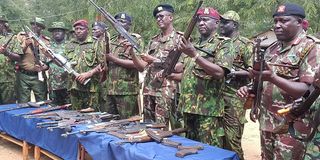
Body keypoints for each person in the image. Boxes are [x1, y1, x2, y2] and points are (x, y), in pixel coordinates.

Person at [236, 3, 320, 160]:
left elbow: (308, 90)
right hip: (268, 122)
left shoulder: (311, 48)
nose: (277, 25)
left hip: (294, 126)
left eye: (284, 21)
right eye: (275, 21)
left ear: (300, 23)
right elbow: (263, 79)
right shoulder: (272, 49)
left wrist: (273, 78)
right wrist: (250, 88)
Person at [177, 7, 235, 147]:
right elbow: (185, 73)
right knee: (190, 150)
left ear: (216, 23)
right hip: (188, 108)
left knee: (209, 151)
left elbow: (220, 72)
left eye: (206, 20)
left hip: (208, 111)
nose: (201, 23)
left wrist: (195, 55)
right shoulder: (193, 44)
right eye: (199, 20)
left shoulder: (224, 44)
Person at [131, 4, 183, 129]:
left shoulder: (180, 39)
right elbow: (142, 67)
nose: (158, 19)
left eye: (161, 16)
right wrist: (132, 53)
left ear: (171, 17)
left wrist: (154, 60)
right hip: (149, 89)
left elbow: (180, 66)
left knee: (162, 128)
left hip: (167, 90)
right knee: (148, 127)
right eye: (157, 17)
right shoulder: (153, 40)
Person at [219, 11, 253, 159]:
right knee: (217, 140)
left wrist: (233, 72)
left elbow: (253, 72)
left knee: (232, 140)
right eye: (221, 21)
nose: (222, 24)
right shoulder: (218, 43)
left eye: (226, 22)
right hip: (215, 98)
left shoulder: (245, 44)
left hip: (234, 98)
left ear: (235, 25)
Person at [102, 13, 142, 118]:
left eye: (123, 22)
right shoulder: (111, 40)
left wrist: (113, 59)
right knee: (111, 123)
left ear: (129, 25)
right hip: (111, 89)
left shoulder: (135, 40)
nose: (120, 24)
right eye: (118, 21)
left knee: (128, 123)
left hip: (127, 90)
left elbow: (137, 64)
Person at [5, 17, 49, 103]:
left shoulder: (45, 41)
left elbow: (49, 59)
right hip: (23, 75)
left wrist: (44, 67)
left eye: (39, 26)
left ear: (42, 28)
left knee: (42, 102)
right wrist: (25, 45)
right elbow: (16, 55)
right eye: (33, 25)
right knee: (23, 103)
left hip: (39, 76)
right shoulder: (21, 37)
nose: (35, 27)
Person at [65, 20, 103, 110]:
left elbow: (103, 64)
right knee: (75, 116)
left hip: (91, 87)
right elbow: (65, 63)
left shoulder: (96, 43)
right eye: (76, 29)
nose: (78, 31)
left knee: (92, 116)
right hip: (74, 87)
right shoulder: (69, 44)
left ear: (87, 30)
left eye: (81, 29)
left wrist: (88, 74)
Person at [47, 22, 69, 105]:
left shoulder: (70, 45)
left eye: (59, 30)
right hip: (53, 85)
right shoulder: (48, 47)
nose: (56, 32)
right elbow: (45, 64)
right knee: (54, 109)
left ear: (64, 32)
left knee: (68, 108)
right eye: (54, 31)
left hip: (67, 84)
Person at [0, 15, 17, 104]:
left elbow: (19, 57)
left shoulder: (12, 38)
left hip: (7, 81)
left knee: (8, 108)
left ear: (4, 24)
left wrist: (7, 53)